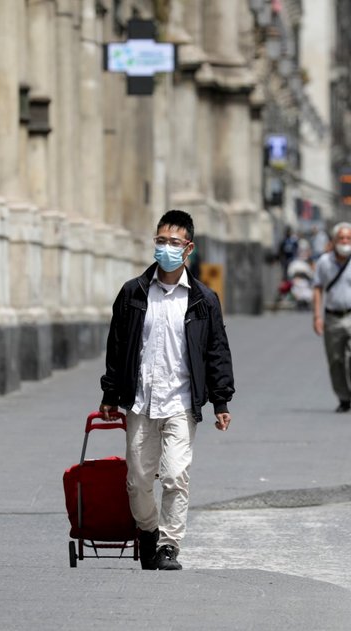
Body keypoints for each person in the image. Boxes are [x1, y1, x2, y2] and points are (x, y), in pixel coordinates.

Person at [99, 209, 234, 571]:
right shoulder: (133, 293)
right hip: (141, 401)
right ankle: (147, 530)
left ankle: (169, 544)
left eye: (174, 243)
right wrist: (110, 394)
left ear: (188, 248)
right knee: (138, 480)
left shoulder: (203, 300)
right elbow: (117, 347)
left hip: (180, 402)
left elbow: (216, 350)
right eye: (161, 241)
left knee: (175, 475)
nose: (166, 248)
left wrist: (221, 399)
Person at [312, 222, 351, 412]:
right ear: (334, 240)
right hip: (332, 317)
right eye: (341, 238)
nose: (345, 241)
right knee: (336, 360)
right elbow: (317, 289)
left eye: (348, 238)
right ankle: (344, 397)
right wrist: (317, 316)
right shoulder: (324, 262)